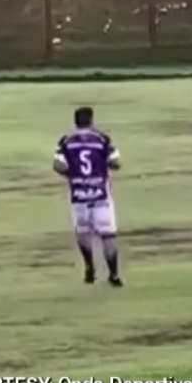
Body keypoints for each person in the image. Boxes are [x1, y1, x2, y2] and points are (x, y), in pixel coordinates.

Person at [52, 107, 122, 286]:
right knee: (108, 235)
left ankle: (90, 266)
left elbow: (57, 165)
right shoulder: (102, 139)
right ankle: (113, 274)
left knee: (83, 232)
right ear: (91, 120)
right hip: (100, 193)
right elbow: (116, 163)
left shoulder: (66, 141)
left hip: (79, 194)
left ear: (75, 122)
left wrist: (73, 175)